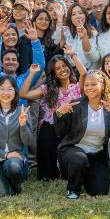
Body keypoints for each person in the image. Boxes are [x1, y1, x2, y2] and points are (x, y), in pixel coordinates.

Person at [55, 70, 110, 199]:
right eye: (86, 85)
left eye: (93, 84)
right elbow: (60, 132)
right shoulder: (76, 104)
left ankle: (83, 175)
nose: (89, 88)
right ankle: (73, 190)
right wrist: (59, 113)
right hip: (73, 150)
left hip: (97, 155)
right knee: (80, 159)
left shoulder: (109, 107)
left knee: (100, 191)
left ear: (102, 86)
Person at [21, 47, 86, 181]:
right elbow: (24, 94)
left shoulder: (77, 87)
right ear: (54, 73)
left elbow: (84, 74)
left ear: (69, 67)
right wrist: (32, 74)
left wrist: (73, 55)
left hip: (72, 127)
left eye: (64, 66)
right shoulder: (48, 89)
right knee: (46, 139)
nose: (62, 69)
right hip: (52, 125)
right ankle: (48, 174)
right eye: (58, 68)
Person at [0, 77, 35, 196]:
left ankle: (16, 185)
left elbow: (28, 141)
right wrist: (5, 154)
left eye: (10, 89)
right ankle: (3, 183)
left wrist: (23, 125)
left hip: (14, 160)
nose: (6, 93)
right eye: (2, 89)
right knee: (4, 193)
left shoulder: (23, 111)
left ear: (15, 91)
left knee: (12, 166)